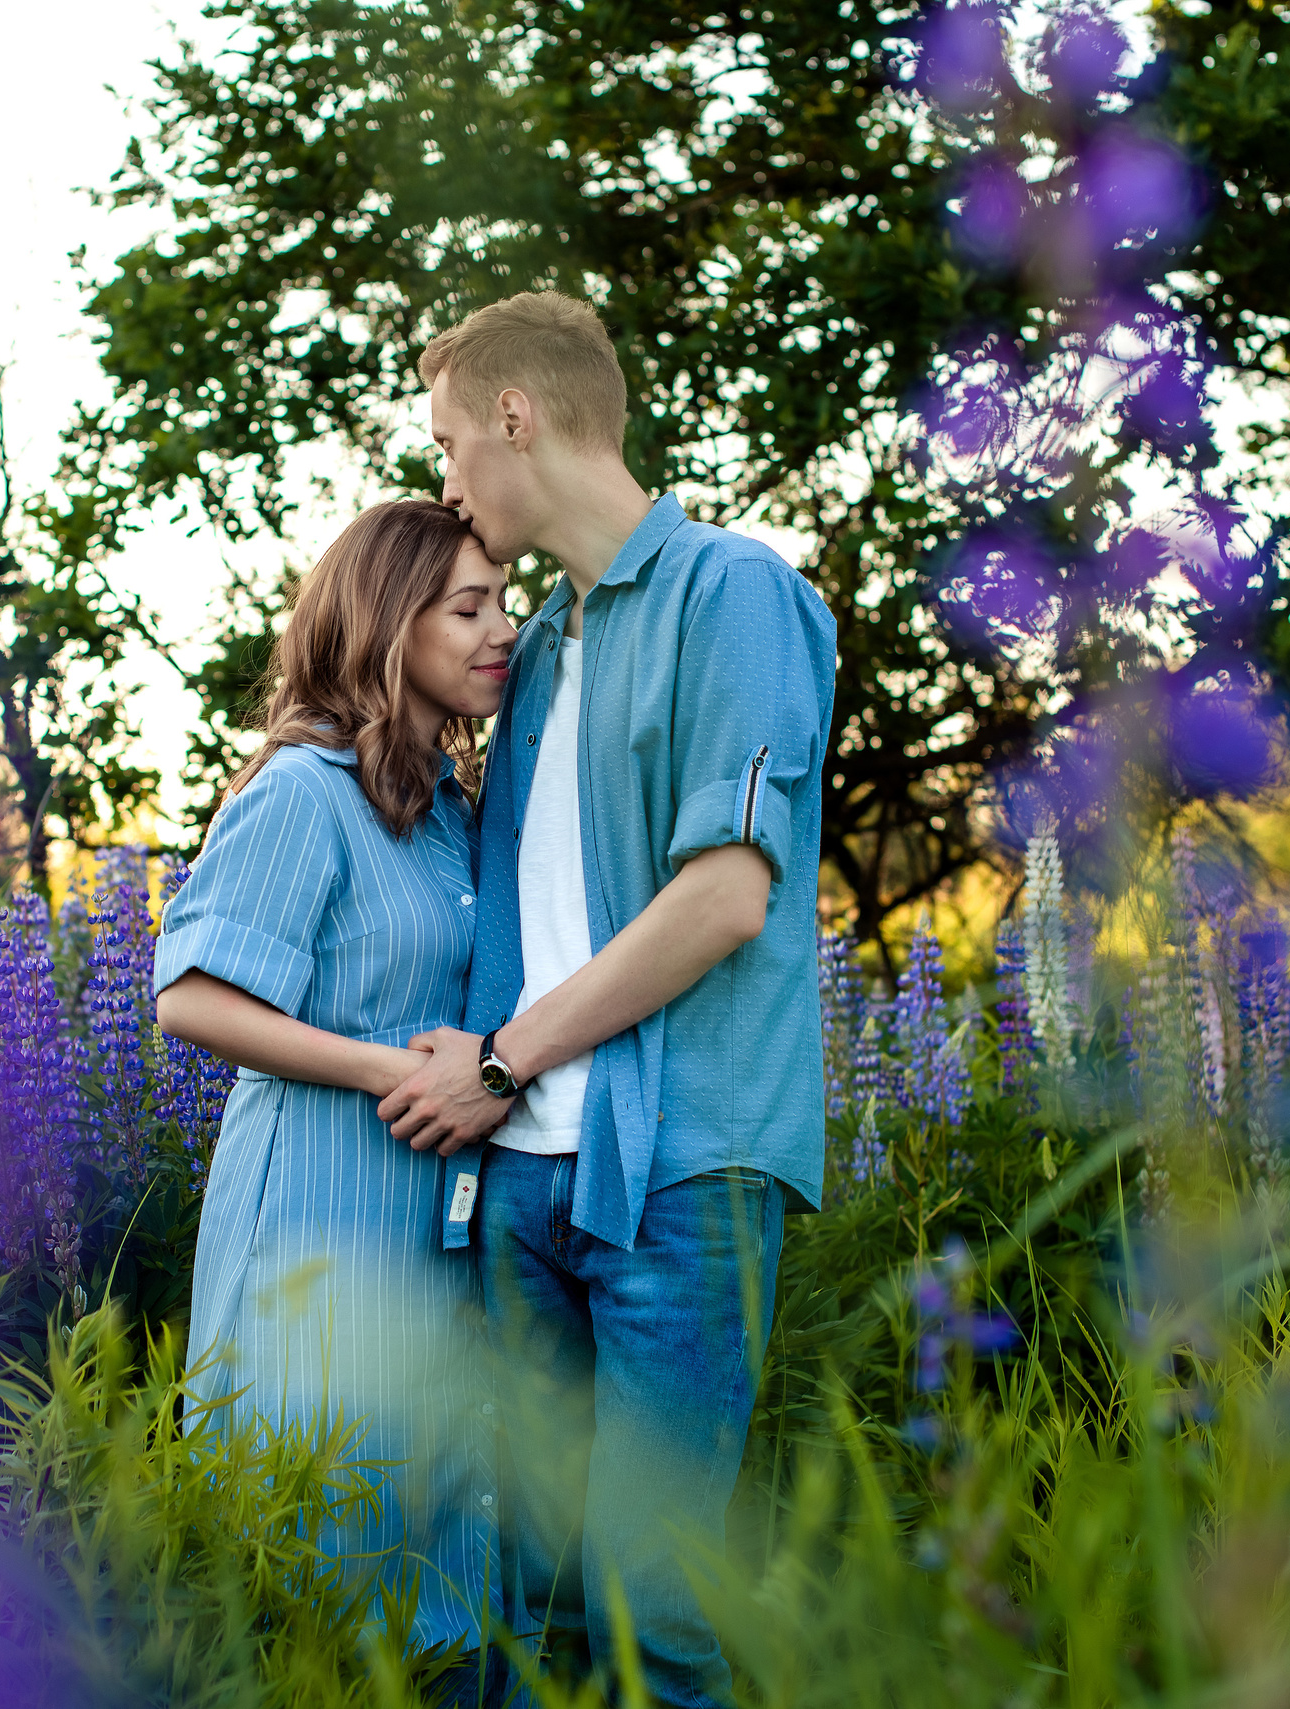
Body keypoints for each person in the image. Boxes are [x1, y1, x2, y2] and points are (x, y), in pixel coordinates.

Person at [379, 292, 838, 1706]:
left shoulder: (734, 595)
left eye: (454, 441)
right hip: (520, 1183)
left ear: (518, 418)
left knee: (654, 1611)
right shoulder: (546, 657)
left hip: (684, 1174)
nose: (447, 478)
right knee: (529, 1605)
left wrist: (503, 1060)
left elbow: (724, 897)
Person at [153, 498, 520, 1664]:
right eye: (467, 607)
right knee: (320, 1547)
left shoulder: (455, 810)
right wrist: (386, 1069)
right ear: (382, 620)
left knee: (437, 1544)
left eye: (503, 601)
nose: (499, 628)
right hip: (314, 1214)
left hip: (429, 1224)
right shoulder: (303, 790)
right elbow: (190, 995)